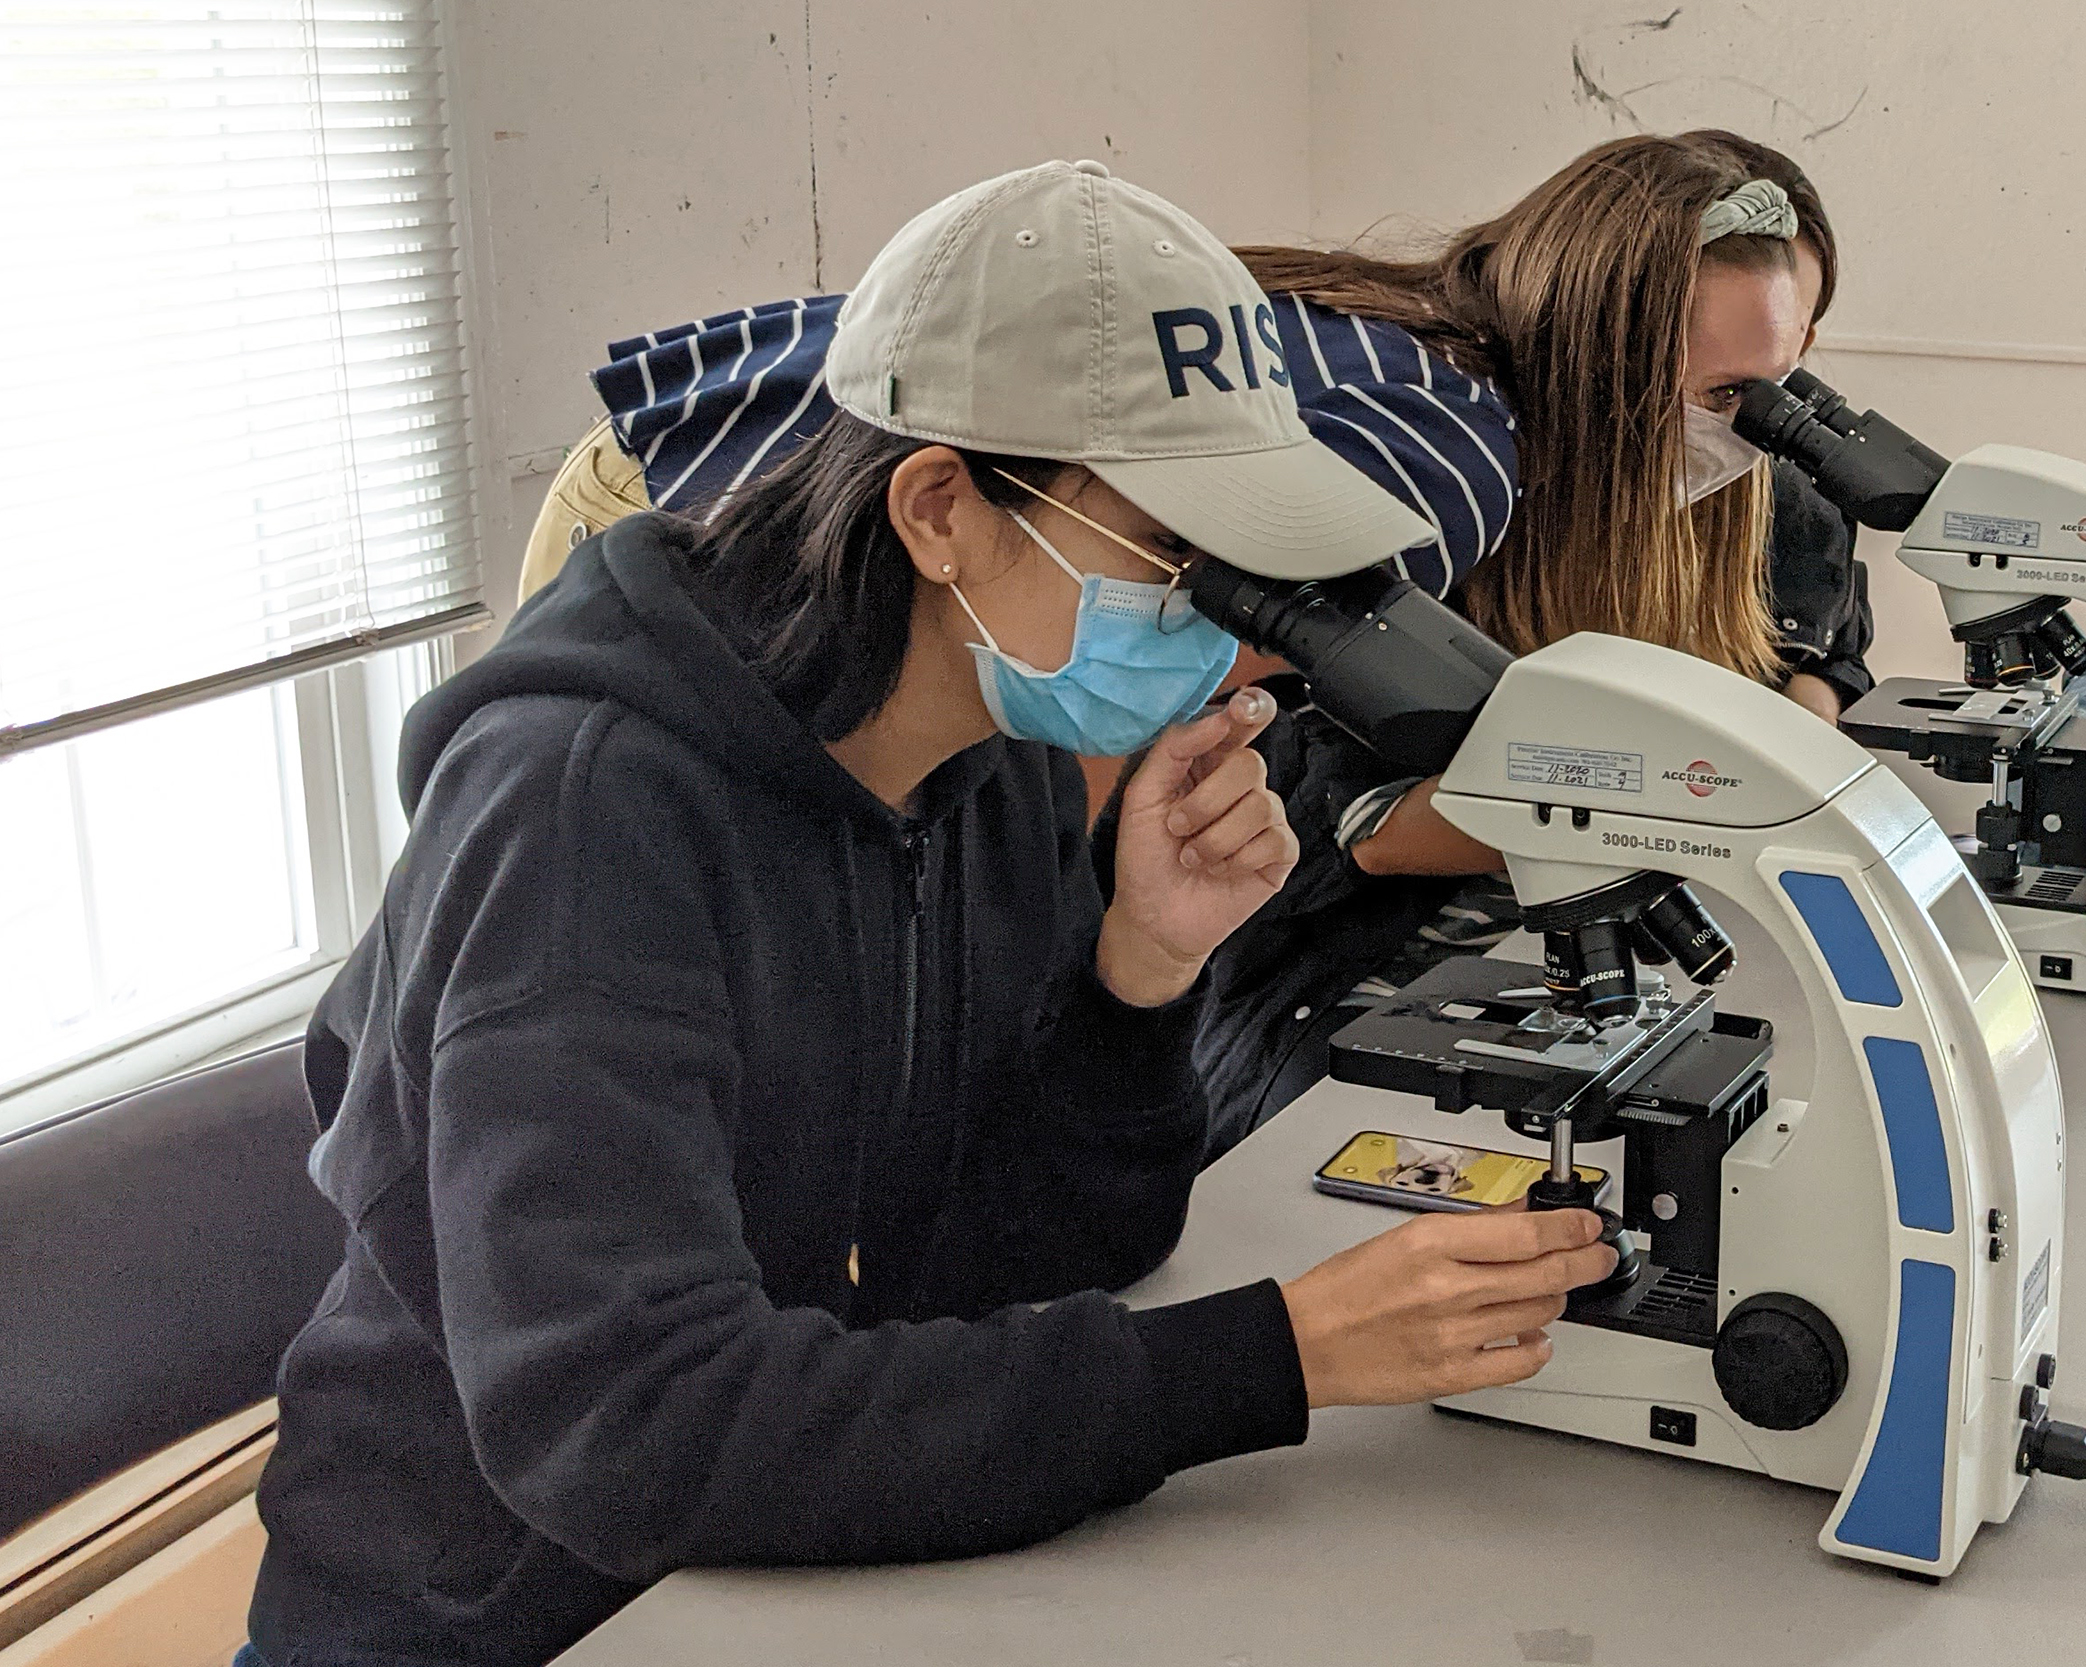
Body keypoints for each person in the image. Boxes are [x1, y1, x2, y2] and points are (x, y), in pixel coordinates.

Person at [242, 161, 1617, 1667]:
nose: (1235, 651)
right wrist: (1274, 1357)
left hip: (799, 1569)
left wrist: (1141, 969)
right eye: (1182, 569)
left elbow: (1019, 1257)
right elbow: (626, 1424)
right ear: (942, 507)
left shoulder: (995, 765)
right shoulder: (583, 816)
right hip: (496, 1616)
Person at [519, 131, 1865, 1158]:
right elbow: (1122, 720)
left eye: (1778, 383)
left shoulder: (1462, 360)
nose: (1750, 430)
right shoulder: (1449, 455)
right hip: (700, 494)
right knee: (663, 940)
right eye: (1724, 394)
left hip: (857, 482)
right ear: (1600, 350)